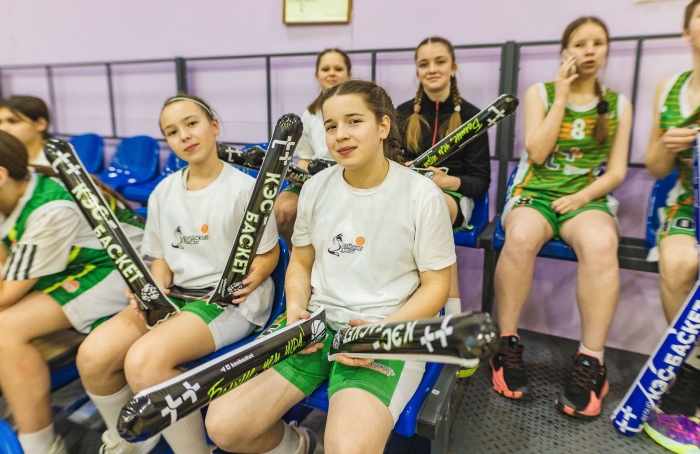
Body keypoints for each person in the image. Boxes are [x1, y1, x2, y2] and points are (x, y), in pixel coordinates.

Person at [205, 80, 455, 454]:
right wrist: (295, 311)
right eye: (331, 125)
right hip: (315, 325)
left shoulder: (422, 195)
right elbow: (301, 261)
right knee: (225, 426)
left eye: (354, 121)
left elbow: (436, 287)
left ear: (383, 126)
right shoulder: (315, 187)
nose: (341, 135)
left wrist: (382, 332)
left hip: (384, 330)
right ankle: (299, 445)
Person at [76, 94, 280, 454]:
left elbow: (268, 252)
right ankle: (129, 442)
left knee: (144, 363)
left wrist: (256, 275)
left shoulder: (244, 189)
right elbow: (161, 258)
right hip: (177, 296)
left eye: (192, 123)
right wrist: (151, 290)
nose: (184, 135)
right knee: (94, 354)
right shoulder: (163, 191)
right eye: (172, 132)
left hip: (227, 301)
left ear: (214, 126)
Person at [490, 17, 632, 420]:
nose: (589, 51)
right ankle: (506, 345)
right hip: (534, 193)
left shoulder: (619, 104)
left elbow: (616, 171)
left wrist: (582, 197)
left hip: (584, 198)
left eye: (597, 43)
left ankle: (591, 361)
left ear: (606, 50)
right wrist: (562, 96)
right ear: (565, 51)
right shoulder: (540, 92)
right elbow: (536, 152)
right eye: (580, 43)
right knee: (519, 237)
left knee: (602, 244)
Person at [0, 130, 143, 454]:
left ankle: (40, 446)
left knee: (5, 327)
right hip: (78, 266)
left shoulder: (50, 208)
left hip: (123, 269)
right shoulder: (15, 192)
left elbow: (6, 293)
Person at [396, 37, 490, 317]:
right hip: (408, 195)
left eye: (440, 62)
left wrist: (445, 182)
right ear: (417, 70)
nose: (432, 69)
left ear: (453, 67)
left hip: (453, 199)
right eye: (424, 64)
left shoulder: (473, 117)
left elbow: (480, 181)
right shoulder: (401, 113)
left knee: (434, 207)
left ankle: (451, 318)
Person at [643, 0, 700, 451]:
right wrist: (669, 144)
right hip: (686, 204)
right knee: (679, 264)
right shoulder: (669, 89)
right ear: (686, 31)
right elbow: (656, 166)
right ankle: (690, 368)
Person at [274, 49, 352, 245]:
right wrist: (300, 177)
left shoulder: (360, 110)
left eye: (338, 69)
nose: (331, 73)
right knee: (282, 211)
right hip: (314, 178)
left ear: (349, 74)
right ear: (317, 75)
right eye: (325, 69)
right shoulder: (310, 113)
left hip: (350, 176)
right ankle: (299, 257)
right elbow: (305, 158)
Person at [0, 95, 52, 166]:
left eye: (13, 121)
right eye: (0, 122)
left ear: (40, 124)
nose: (2, 128)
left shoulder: (59, 162)